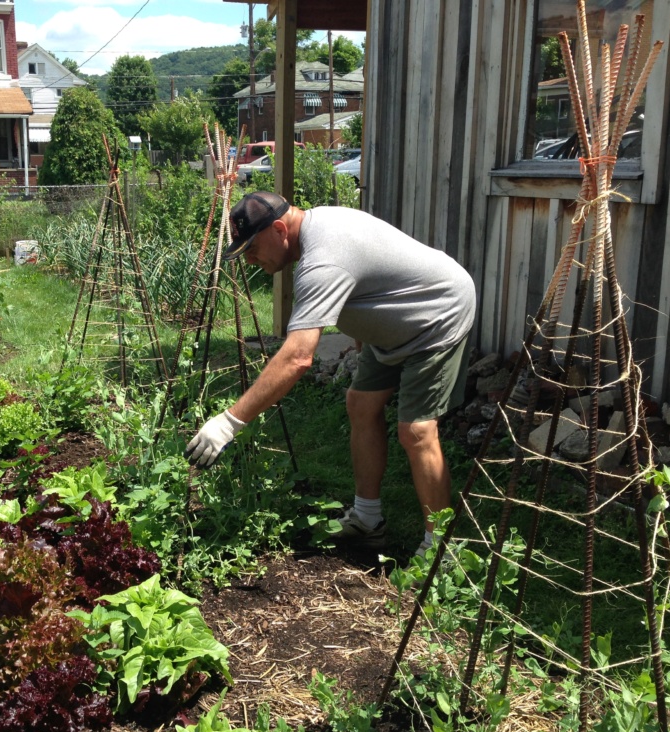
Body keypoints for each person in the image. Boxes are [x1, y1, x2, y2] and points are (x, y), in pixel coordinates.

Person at [184, 191, 476, 556]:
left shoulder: (323, 260)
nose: (251, 260)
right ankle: (368, 520)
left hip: (436, 313)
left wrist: (229, 422)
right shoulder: (315, 230)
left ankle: (441, 553)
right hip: (394, 322)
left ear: (279, 229)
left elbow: (297, 358)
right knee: (360, 404)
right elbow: (370, 270)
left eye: (252, 249)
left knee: (417, 431)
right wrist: (362, 329)